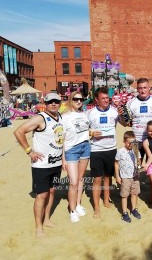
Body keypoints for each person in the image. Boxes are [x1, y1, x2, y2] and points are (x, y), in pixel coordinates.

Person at [14, 93, 64, 237]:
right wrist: (29, 151)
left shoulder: (59, 117)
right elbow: (18, 132)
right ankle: (38, 227)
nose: (53, 104)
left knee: (52, 191)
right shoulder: (40, 118)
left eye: (56, 101)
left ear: (60, 103)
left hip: (56, 163)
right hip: (41, 165)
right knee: (41, 195)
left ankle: (47, 219)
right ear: (45, 103)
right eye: (50, 102)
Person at [86, 86, 122, 218]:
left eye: (107, 98)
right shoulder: (90, 113)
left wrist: (121, 113)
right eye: (103, 98)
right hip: (96, 149)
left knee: (108, 177)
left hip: (111, 149)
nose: (106, 100)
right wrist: (91, 132)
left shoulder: (114, 111)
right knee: (97, 179)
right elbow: (83, 130)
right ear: (97, 100)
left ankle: (106, 200)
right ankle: (96, 208)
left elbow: (124, 123)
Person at [61, 91, 91, 223]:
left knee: (80, 179)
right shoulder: (64, 117)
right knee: (73, 182)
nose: (79, 101)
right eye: (76, 99)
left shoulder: (84, 114)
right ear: (70, 100)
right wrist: (63, 158)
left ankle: (78, 204)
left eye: (81, 99)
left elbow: (86, 131)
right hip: (71, 149)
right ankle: (72, 210)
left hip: (85, 147)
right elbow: (61, 139)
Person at [120, 78, 152, 164]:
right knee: (136, 165)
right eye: (140, 88)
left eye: (145, 87)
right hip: (136, 140)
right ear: (137, 89)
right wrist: (121, 115)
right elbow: (125, 123)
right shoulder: (130, 103)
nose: (143, 90)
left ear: (149, 88)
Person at [115, 131, 141, 223]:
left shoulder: (136, 151)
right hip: (125, 177)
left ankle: (134, 209)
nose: (130, 145)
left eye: (132, 143)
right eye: (128, 143)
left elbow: (139, 162)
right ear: (124, 142)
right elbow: (116, 163)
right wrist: (117, 176)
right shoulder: (120, 151)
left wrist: (139, 164)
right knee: (124, 195)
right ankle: (125, 212)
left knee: (134, 193)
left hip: (135, 177)